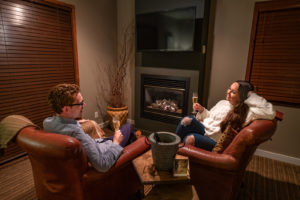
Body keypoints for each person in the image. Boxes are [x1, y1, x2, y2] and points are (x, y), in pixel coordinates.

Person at [43, 83, 136, 172]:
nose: (84, 105)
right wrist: (116, 142)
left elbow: (62, 122)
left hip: (98, 142)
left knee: (122, 133)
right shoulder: (76, 133)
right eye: (80, 103)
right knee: (128, 127)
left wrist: (76, 121)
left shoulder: (47, 123)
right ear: (66, 109)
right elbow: (102, 165)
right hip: (103, 152)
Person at [175, 80, 275, 151]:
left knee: (189, 138)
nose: (228, 92)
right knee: (187, 120)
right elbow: (210, 116)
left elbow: (270, 113)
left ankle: (175, 155)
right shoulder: (223, 102)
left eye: (233, 92)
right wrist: (202, 110)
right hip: (206, 129)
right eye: (229, 88)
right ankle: (172, 148)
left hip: (214, 140)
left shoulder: (247, 112)